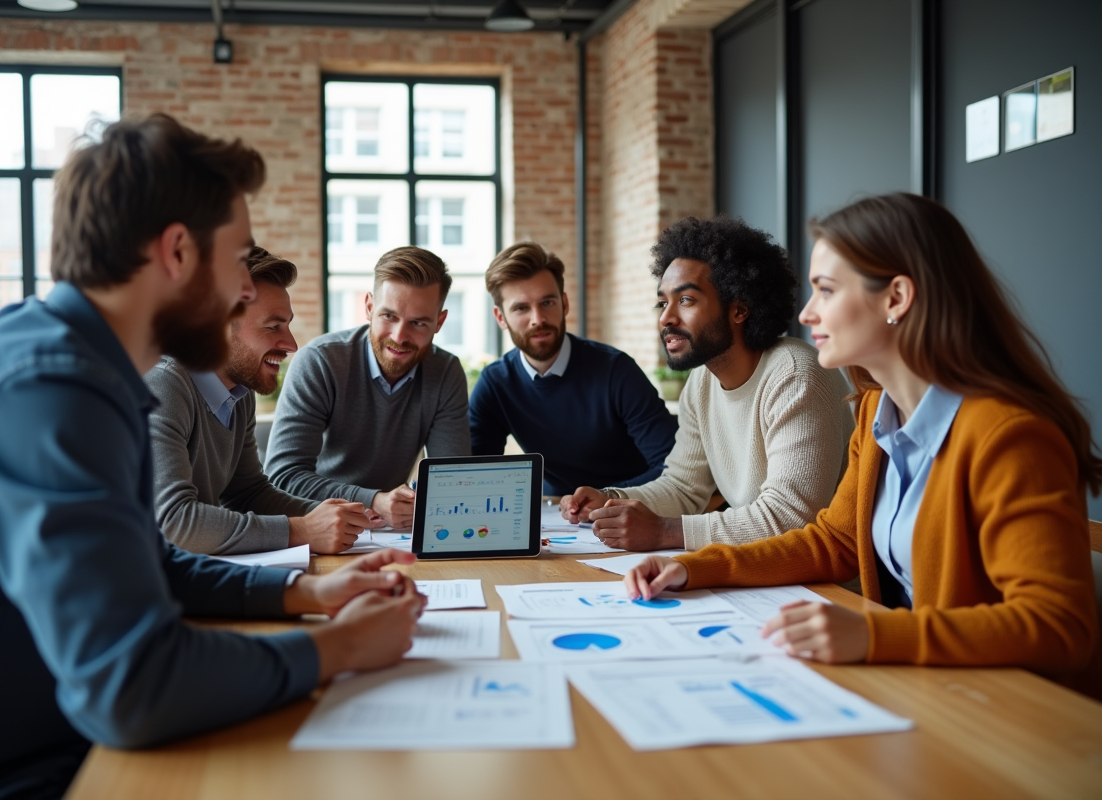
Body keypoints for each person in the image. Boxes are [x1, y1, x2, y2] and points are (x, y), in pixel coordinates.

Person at [0, 114, 426, 797]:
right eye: (240, 260)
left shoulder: (80, 364)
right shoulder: (47, 389)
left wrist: (307, 593)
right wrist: (342, 648)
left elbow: (148, 562)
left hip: (53, 741)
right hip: (1, 777)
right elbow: (131, 685)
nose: (245, 288)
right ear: (178, 252)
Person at [624, 193, 1100, 697]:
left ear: (896, 298)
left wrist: (872, 633)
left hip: (1010, 713)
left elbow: (1058, 627)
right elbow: (836, 542)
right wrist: (694, 568)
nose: (806, 314)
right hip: (924, 686)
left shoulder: (1008, 436)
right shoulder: (877, 410)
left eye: (826, 291)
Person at [561, 216, 854, 552]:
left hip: (826, 587)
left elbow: (790, 518)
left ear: (739, 309)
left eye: (686, 300)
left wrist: (664, 532)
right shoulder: (702, 381)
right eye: (663, 302)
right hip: (765, 577)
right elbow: (684, 487)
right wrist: (611, 501)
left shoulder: (796, 374)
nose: (666, 318)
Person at [147, 246, 375, 555]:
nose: (291, 344)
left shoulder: (239, 393)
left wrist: (339, 516)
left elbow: (248, 493)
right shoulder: (162, 386)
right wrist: (304, 530)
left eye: (288, 324)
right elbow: (174, 523)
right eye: (273, 327)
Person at [265, 246, 471, 531]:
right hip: (318, 524)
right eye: (389, 316)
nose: (400, 336)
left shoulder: (446, 371)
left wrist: (417, 501)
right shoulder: (320, 361)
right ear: (369, 307)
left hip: (391, 533)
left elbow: (451, 479)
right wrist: (373, 500)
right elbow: (282, 477)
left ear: (440, 322)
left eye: (418, 322)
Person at [469, 242, 678, 496]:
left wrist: (606, 496)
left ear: (564, 303)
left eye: (547, 303)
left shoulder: (615, 370)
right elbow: (473, 474)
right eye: (521, 308)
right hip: (554, 514)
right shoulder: (495, 383)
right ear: (500, 317)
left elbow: (673, 467)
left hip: (629, 509)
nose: (538, 319)